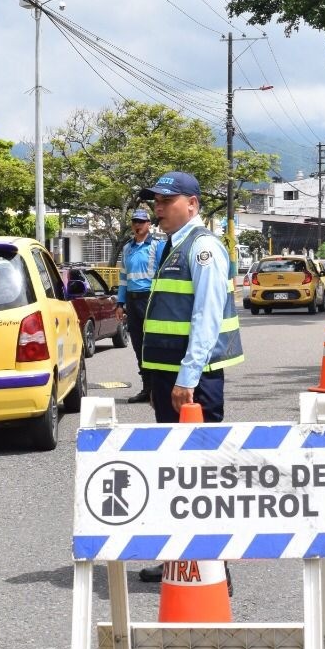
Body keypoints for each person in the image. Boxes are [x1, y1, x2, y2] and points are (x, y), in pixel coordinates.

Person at [135, 171, 244, 583]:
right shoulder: (172, 246)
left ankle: (214, 567)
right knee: (176, 470)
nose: (157, 209)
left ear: (192, 204)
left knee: (201, 471)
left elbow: (206, 318)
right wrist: (158, 383)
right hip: (171, 377)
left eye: (166, 201)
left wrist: (186, 379)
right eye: (156, 202)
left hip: (193, 379)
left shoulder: (203, 249)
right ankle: (179, 558)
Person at [115, 207, 163, 404]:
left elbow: (163, 274)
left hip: (151, 299)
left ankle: (158, 388)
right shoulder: (127, 248)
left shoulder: (157, 246)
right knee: (138, 345)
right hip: (133, 302)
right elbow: (124, 278)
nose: (137, 225)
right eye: (135, 221)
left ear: (148, 225)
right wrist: (120, 303)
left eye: (141, 222)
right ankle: (147, 388)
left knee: (153, 343)